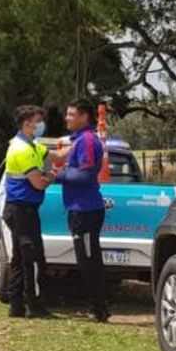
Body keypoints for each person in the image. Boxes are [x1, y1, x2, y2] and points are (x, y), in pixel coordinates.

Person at [56, 99, 111, 322]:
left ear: (84, 117)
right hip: (79, 209)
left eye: (71, 114)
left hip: (86, 211)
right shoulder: (78, 141)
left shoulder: (87, 141)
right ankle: (97, 307)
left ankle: (99, 309)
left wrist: (57, 176)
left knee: (89, 260)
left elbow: (86, 175)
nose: (67, 118)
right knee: (85, 259)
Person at [3, 105, 53, 318]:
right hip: (22, 211)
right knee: (33, 258)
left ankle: (16, 306)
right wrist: (51, 177)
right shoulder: (21, 150)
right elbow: (38, 184)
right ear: (27, 124)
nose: (40, 124)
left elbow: (57, 154)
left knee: (18, 258)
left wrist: (80, 142)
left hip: (21, 210)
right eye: (37, 121)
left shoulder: (31, 145)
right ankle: (35, 305)